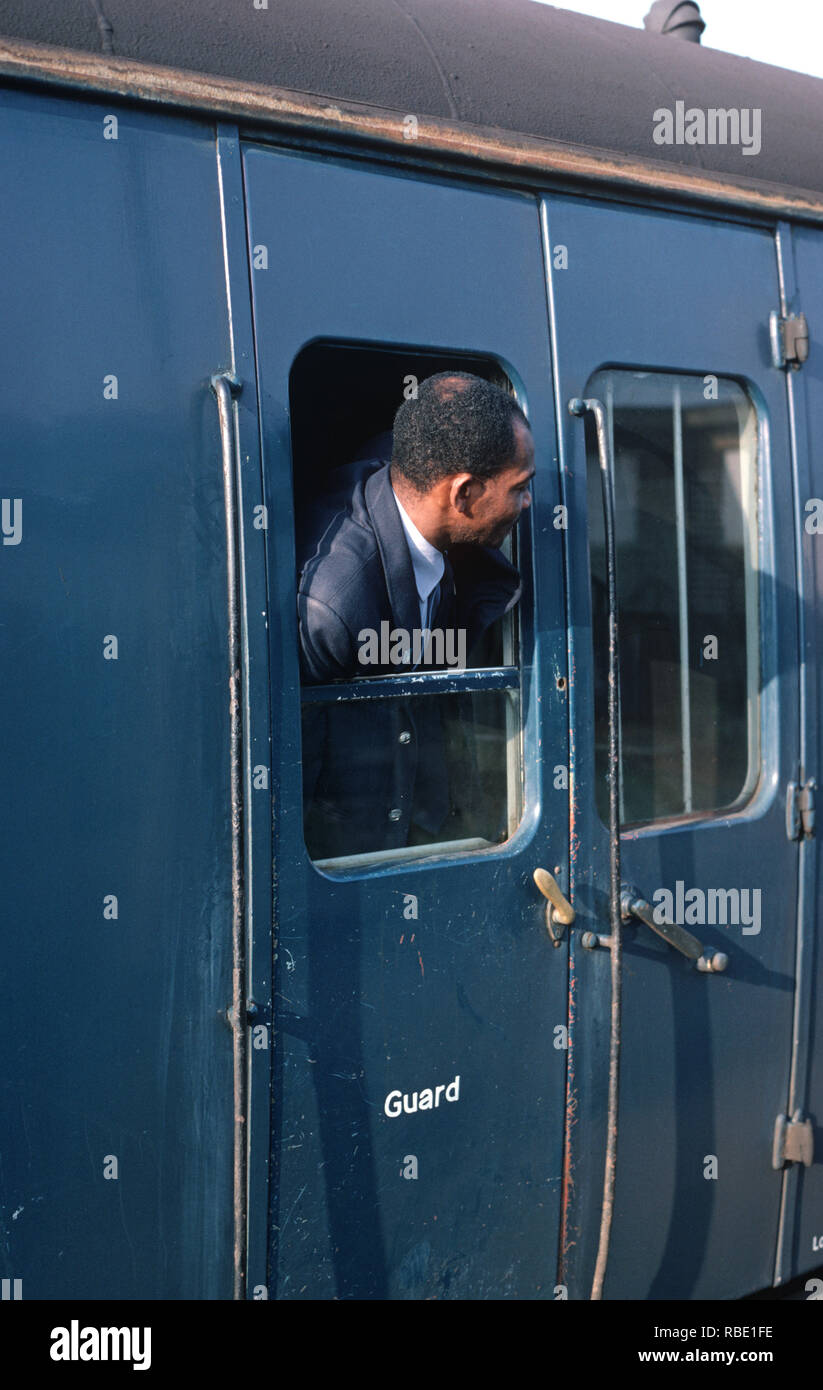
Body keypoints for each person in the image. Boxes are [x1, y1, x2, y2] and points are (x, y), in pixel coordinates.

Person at [297, 371, 535, 859]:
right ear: (463, 494)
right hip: (358, 848)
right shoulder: (333, 609)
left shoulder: (417, 476)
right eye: (519, 487)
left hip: (425, 809)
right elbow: (303, 768)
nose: (530, 502)